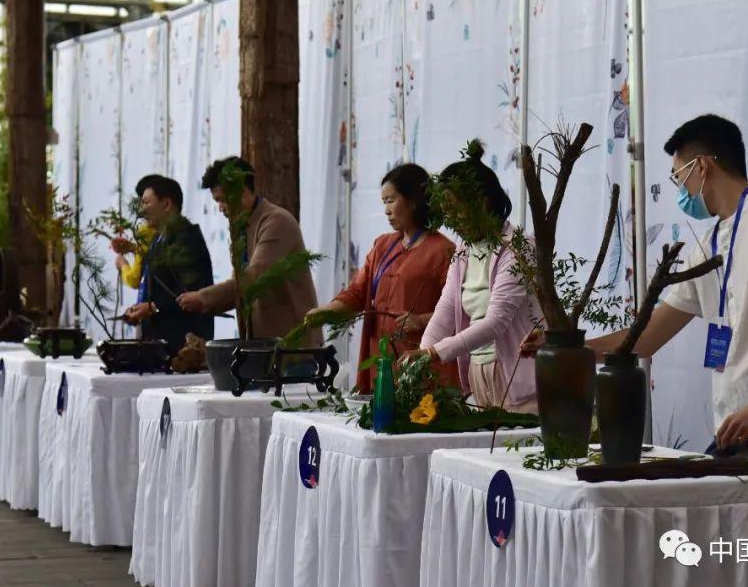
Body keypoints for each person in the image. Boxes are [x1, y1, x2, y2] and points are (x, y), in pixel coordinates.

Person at [521, 114, 748, 587]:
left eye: (678, 175)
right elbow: (645, 338)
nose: (678, 188)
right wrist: (568, 346)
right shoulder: (708, 243)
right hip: (738, 429)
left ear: (703, 166)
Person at [401, 143, 540, 412]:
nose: (450, 219)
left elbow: (496, 321)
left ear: (482, 202)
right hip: (479, 373)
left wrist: (433, 354)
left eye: (455, 209)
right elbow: (447, 307)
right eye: (446, 211)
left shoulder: (519, 248)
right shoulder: (464, 251)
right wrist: (423, 355)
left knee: (518, 448)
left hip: (519, 376)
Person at [306, 163, 456, 393]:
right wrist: (327, 311)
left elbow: (458, 309)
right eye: (384, 202)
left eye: (391, 200)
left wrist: (421, 320)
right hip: (380, 355)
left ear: (413, 201)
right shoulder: (383, 245)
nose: (386, 210)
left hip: (419, 359)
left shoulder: (442, 250)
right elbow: (357, 292)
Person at [177, 157, 321, 344]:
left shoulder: (276, 222)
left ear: (243, 192)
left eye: (221, 200)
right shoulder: (244, 226)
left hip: (293, 346)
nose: (220, 208)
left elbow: (254, 277)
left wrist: (204, 298)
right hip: (267, 344)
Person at [122, 176, 214, 353]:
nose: (141, 211)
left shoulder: (186, 238)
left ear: (166, 204)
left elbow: (193, 291)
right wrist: (140, 309)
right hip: (157, 341)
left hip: (182, 345)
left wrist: (154, 307)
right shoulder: (158, 238)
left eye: (146, 203)